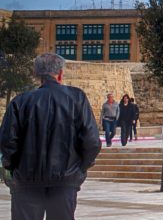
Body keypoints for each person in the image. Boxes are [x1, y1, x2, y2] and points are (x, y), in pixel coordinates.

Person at [0, 53, 101, 220]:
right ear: (60, 73)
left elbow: (7, 141)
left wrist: (12, 167)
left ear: (36, 74)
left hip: (27, 181)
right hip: (65, 180)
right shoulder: (76, 98)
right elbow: (92, 141)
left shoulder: (20, 102)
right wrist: (79, 169)